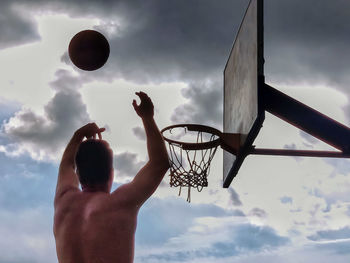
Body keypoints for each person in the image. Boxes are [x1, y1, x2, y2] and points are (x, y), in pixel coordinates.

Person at [53, 91, 169, 263]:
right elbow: (159, 163)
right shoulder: (121, 202)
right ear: (111, 172)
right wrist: (147, 117)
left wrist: (79, 134)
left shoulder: (64, 202)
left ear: (78, 173)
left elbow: (66, 165)